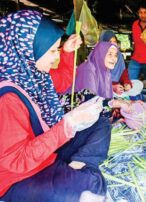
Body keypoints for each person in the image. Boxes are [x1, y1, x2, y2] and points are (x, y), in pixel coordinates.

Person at [0, 10, 109, 201]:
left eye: (56, 50)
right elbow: (17, 161)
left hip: (47, 152)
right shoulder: (7, 99)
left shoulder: (32, 76)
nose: (54, 57)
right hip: (18, 178)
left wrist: (66, 52)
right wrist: (68, 124)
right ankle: (79, 168)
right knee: (93, 185)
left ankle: (79, 163)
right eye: (51, 52)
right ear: (27, 50)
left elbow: (62, 81)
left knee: (101, 122)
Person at [60, 41, 132, 118]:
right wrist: (119, 103)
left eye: (115, 55)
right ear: (100, 54)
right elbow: (91, 101)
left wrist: (128, 102)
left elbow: (105, 98)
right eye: (110, 54)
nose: (114, 59)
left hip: (86, 111)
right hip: (69, 112)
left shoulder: (105, 72)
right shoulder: (88, 70)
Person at [99, 30, 143, 99]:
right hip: (105, 88)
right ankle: (117, 95)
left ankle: (119, 95)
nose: (113, 44)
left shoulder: (118, 55)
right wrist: (113, 87)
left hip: (119, 86)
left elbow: (123, 73)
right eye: (110, 42)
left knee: (139, 84)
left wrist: (126, 83)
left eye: (115, 42)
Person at [128, 2, 146, 84]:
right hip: (136, 60)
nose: (143, 15)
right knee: (130, 83)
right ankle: (133, 96)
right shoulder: (135, 24)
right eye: (141, 12)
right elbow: (137, 41)